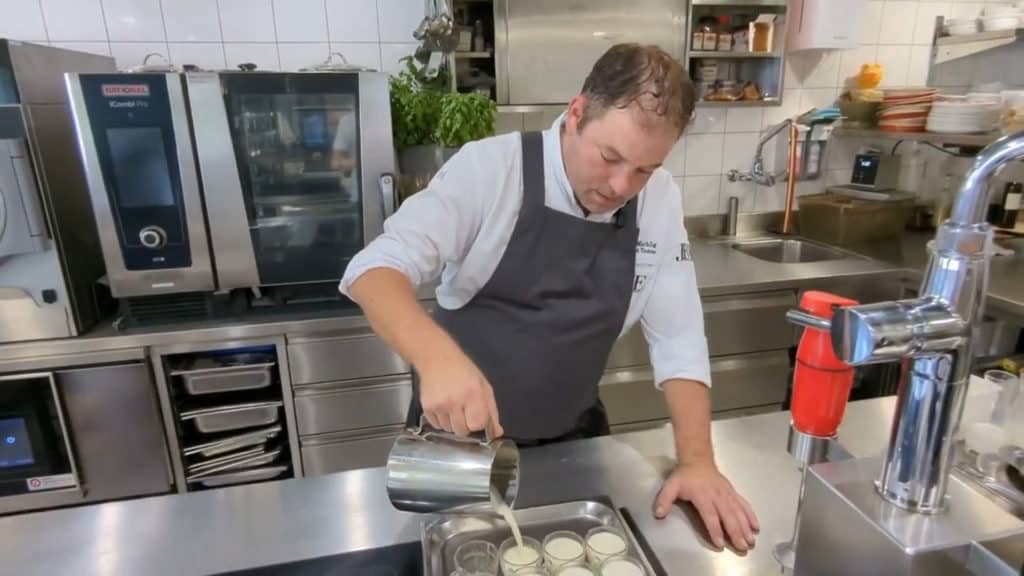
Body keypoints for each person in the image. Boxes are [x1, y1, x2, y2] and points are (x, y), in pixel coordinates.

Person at [340, 43, 759, 552]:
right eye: (609, 157)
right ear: (577, 113)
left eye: (644, 169)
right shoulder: (489, 171)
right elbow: (373, 271)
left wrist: (697, 462)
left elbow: (679, 335)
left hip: (576, 440)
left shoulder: (659, 200)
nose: (621, 185)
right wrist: (437, 359)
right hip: (460, 448)